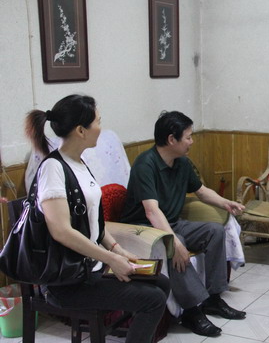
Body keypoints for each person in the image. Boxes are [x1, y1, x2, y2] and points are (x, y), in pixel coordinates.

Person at [25, 95, 169, 343]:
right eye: (98, 122)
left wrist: (119, 250)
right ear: (81, 130)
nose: (101, 128)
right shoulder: (53, 169)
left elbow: (94, 225)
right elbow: (61, 231)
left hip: (89, 268)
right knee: (153, 299)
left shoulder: (79, 164)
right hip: (65, 280)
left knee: (161, 284)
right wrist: (111, 259)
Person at [120, 110, 246, 337]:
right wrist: (175, 243)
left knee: (215, 231)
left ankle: (214, 298)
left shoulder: (182, 163)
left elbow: (201, 191)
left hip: (170, 222)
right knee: (175, 242)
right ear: (171, 139)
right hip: (142, 230)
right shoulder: (145, 165)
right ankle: (191, 311)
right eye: (188, 137)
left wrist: (225, 203)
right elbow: (151, 211)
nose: (192, 141)